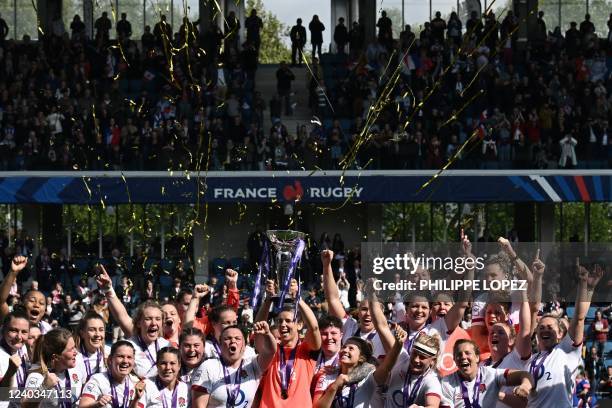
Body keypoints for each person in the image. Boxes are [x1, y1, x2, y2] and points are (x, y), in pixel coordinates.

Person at [524, 257, 603, 407]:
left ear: (561, 334)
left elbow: (579, 318)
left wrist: (584, 284)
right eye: (541, 327)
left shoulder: (565, 350)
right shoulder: (531, 359)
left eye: (550, 327)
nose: (545, 329)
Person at [96, 265, 170, 378]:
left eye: (158, 319)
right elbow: (122, 316)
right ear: (139, 323)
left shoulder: (166, 345)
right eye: (148, 319)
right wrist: (108, 290)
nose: (154, 323)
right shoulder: (131, 344)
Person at [254, 283, 322, 406]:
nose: (283, 325)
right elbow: (258, 329)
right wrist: (268, 300)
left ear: (300, 325)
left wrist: (299, 300)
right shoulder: (271, 350)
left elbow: (315, 328)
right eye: (279, 321)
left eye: (288, 321)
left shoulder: (306, 350)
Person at [313, 329, 407, 407]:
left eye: (351, 348)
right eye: (344, 347)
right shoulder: (328, 377)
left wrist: (398, 345)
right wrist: (335, 387)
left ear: (361, 358)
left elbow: (386, 367)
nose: (345, 350)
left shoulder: (369, 379)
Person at [191, 321, 277, 407]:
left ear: (244, 346)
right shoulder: (209, 366)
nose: (233, 341)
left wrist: (267, 334)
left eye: (237, 338)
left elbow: (270, 351)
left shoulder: (252, 365)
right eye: (227, 338)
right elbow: (199, 406)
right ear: (220, 345)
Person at [440, 340, 534, 407]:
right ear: (455, 360)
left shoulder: (490, 374)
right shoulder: (447, 382)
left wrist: (525, 385)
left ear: (477, 357)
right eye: (459, 354)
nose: (463, 357)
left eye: (467, 353)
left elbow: (524, 375)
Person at [78, 340, 161, 408]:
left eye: (129, 357)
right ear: (110, 360)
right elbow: (82, 406)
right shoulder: (98, 380)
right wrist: (97, 404)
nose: (125, 361)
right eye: (120, 356)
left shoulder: (137, 384)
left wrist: (136, 399)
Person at [22, 328, 83, 408]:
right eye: (71, 349)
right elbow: (25, 406)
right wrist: (43, 387)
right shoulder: (37, 376)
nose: (76, 352)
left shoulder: (75, 371)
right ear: (56, 357)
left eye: (74, 347)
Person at [0, 256, 52, 334]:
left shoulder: (47, 329)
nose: (36, 305)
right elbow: (1, 300)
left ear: (45, 311)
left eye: (41, 303)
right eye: (32, 300)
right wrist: (13, 272)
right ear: (21, 303)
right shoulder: (11, 319)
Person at [75, 311, 111, 383]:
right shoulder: (74, 357)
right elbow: (69, 391)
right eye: (92, 330)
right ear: (82, 333)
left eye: (101, 330)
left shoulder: (110, 352)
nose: (97, 334)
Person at [0, 310, 30, 390]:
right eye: (14, 330)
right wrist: (10, 371)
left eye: (24, 332)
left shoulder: (23, 348)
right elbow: (3, 395)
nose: (19, 337)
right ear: (3, 329)